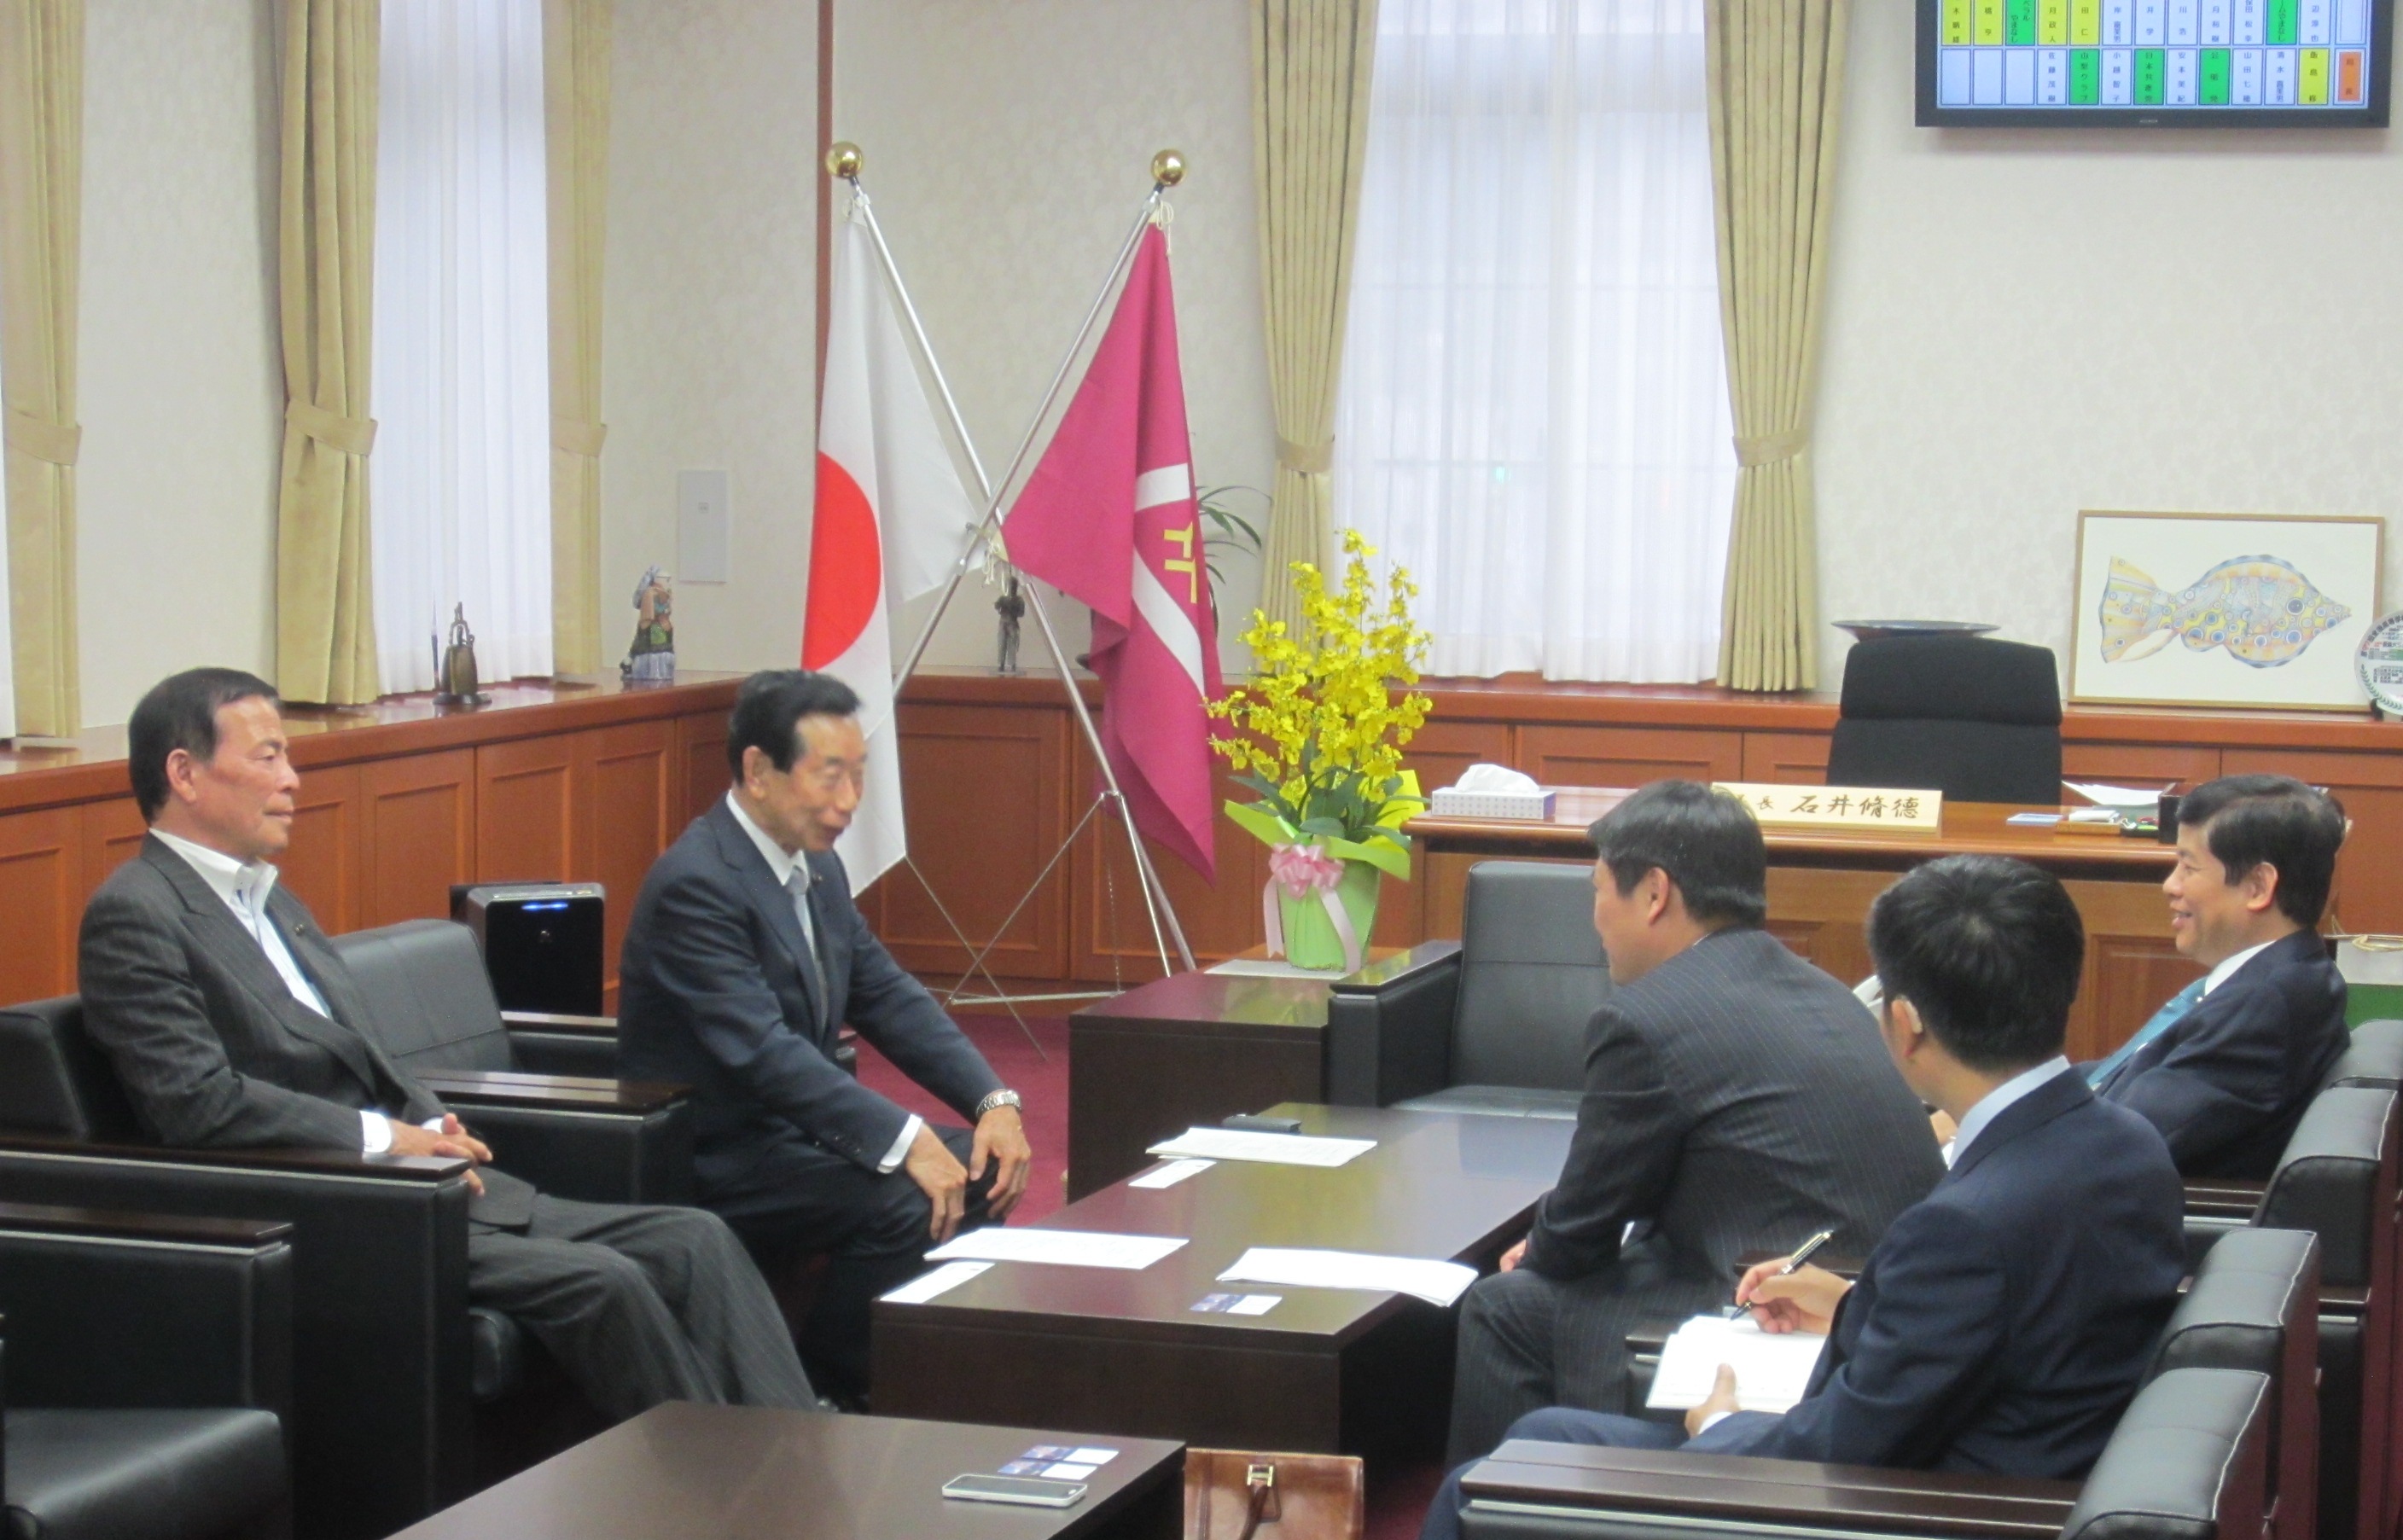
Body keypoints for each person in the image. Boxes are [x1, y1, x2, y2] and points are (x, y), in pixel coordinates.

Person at [79, 668, 815, 1421]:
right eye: (268, 757)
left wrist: (430, 1123)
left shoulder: (274, 900)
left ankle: (803, 1466)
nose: (293, 780)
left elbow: (366, 1053)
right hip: (340, 1212)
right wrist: (383, 1139)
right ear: (184, 773)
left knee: (697, 1238)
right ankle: (728, 1500)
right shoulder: (135, 915)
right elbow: (196, 1104)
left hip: (423, 1187)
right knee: (607, 1280)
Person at [1421, 855, 2188, 1540]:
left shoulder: (1967, 1226)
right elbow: (2006, 1328)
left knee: (1484, 1484)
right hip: (1993, 1466)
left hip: (1899, 1505)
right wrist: (1855, 1303)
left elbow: (1844, 1446)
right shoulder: (2127, 1144)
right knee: (1550, 1430)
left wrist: (1720, 1426)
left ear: (1906, 1025)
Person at [1444, 781, 1945, 1464]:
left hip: (1775, 1303)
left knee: (1503, 1308)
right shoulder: (1818, 985)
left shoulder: (1647, 1018)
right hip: (1878, 1301)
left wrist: (1542, 1248)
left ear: (1654, 893)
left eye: (1597, 891)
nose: (1593, 918)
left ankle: (1499, 1505)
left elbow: (1581, 1228)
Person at [616, 669, 1033, 1402]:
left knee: (981, 1165)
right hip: (718, 1154)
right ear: (757, 770)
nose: (849, 802)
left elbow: (886, 993)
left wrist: (991, 1099)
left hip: (795, 1141)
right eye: (828, 776)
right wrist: (904, 1139)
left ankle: (915, 1375)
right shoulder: (698, 883)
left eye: (858, 776)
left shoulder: (817, 865)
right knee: (910, 1195)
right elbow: (764, 1055)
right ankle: (824, 1390)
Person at [2089, 774, 2349, 1177]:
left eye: (2188, 867)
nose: (2169, 886)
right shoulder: (2275, 975)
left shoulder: (2264, 1008)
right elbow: (2116, 1074)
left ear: (2258, 886)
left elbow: (2120, 1146)